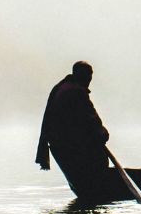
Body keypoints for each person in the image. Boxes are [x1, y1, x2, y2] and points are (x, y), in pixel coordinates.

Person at [36, 61, 113, 198]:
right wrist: (102, 134)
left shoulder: (63, 87)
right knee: (99, 161)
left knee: (91, 177)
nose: (89, 80)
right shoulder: (76, 91)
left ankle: (91, 192)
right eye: (87, 77)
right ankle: (96, 192)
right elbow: (90, 118)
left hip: (60, 146)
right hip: (69, 146)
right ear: (80, 75)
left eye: (90, 77)